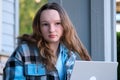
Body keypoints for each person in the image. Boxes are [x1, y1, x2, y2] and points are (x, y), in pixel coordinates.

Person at [3, 2, 91, 80]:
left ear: (65, 26)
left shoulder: (70, 56)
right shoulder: (23, 52)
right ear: (39, 28)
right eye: (45, 24)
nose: (51, 29)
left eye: (57, 23)